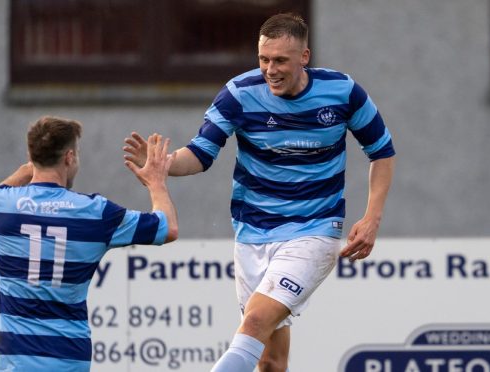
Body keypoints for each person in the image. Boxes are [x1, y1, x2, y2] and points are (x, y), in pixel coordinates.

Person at [123, 12, 395, 372]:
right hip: (252, 234)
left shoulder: (343, 92)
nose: (270, 69)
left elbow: (382, 152)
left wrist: (372, 217)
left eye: (281, 60)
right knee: (269, 361)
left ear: (305, 57)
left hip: (313, 230)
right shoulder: (239, 94)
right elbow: (201, 154)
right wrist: (164, 164)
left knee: (252, 324)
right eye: (264, 59)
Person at [0, 116, 178, 371]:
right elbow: (167, 227)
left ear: (32, 154)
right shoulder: (95, 212)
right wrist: (156, 181)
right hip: (69, 361)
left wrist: (27, 170)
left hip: (15, 360)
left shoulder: (1, 205)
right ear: (69, 157)